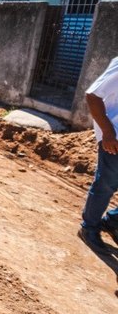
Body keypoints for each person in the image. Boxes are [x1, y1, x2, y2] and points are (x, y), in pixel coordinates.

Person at [78, 57, 118, 254]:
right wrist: (108, 133)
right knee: (106, 185)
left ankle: (111, 222)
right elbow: (93, 95)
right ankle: (89, 228)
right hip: (115, 140)